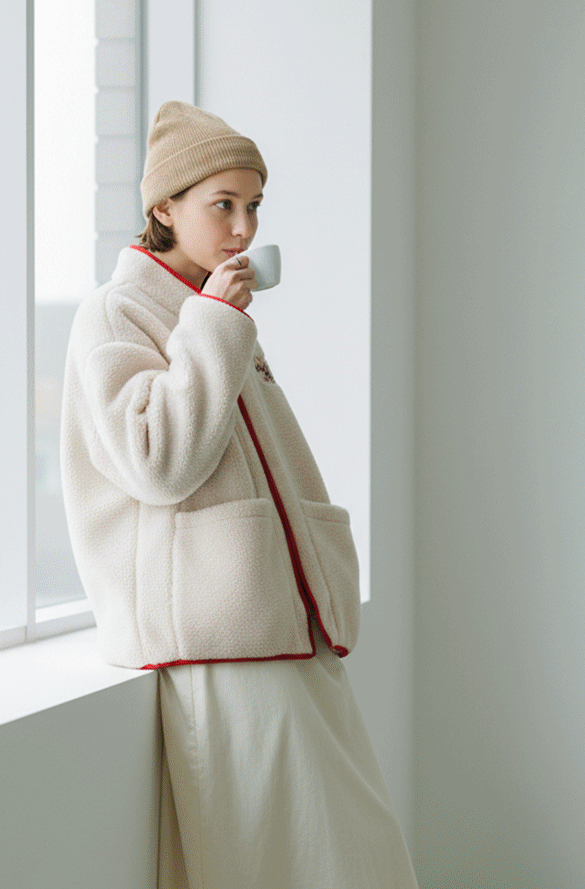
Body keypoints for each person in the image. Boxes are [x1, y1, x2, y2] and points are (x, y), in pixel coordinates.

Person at [60, 101, 419, 889]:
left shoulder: (205, 306)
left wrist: (214, 318)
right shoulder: (115, 312)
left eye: (253, 205)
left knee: (351, 845)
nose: (243, 228)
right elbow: (157, 462)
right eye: (221, 204)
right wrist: (214, 322)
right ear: (165, 208)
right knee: (297, 856)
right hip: (214, 630)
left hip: (276, 621)